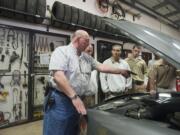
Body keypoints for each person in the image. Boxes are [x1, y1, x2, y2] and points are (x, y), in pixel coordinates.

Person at [43, 30, 130, 135]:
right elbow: (58, 76)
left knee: (73, 129)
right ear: (77, 39)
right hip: (61, 100)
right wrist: (74, 97)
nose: (89, 44)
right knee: (58, 130)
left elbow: (101, 66)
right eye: (87, 41)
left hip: (78, 100)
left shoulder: (86, 58)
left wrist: (120, 71)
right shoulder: (62, 51)